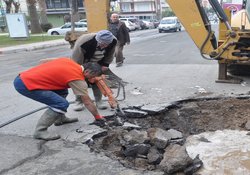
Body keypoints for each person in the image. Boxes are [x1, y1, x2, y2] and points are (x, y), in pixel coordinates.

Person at [13, 58, 105, 141]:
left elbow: (42, 61)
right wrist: (97, 117)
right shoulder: (77, 79)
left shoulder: (69, 61)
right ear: (87, 72)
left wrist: (43, 76)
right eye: (92, 77)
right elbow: (87, 102)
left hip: (23, 78)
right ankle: (40, 131)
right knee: (61, 104)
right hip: (25, 85)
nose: (92, 80)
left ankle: (59, 119)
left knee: (62, 92)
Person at [71, 30, 117, 111]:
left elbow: (111, 54)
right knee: (80, 82)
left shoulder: (113, 41)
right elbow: (76, 59)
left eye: (106, 45)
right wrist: (79, 71)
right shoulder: (83, 42)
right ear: (97, 40)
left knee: (98, 80)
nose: (104, 46)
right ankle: (79, 101)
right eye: (102, 44)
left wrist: (105, 65)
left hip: (98, 61)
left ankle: (99, 101)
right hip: (82, 61)